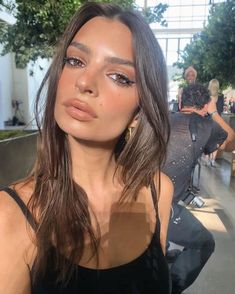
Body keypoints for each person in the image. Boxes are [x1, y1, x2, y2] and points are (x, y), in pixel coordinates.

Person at [0, 3, 173, 294]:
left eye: (119, 76)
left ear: (139, 112)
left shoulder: (158, 191)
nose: (84, 82)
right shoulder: (10, 216)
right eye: (76, 61)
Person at [163, 83, 235, 294]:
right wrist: (213, 111)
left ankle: (162, 256)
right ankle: (170, 288)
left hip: (138, 197)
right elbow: (231, 140)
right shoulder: (206, 125)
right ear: (205, 105)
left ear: (182, 101)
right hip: (162, 204)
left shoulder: (163, 118)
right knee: (204, 243)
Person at [207, 78, 225, 166]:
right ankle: (212, 160)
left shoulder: (206, 96)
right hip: (217, 121)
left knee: (207, 140)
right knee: (216, 140)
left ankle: (206, 158)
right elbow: (221, 109)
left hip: (207, 121)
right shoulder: (221, 97)